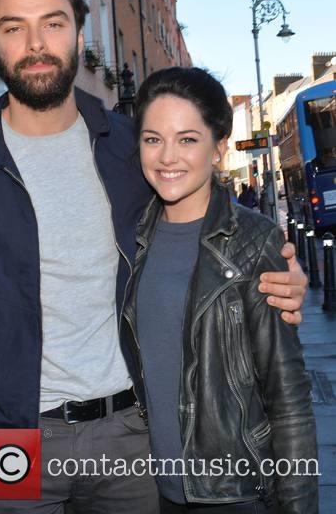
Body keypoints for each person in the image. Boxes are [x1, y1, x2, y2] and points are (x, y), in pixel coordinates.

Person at [0, 0, 308, 514]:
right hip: (8, 439)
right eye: (13, 28)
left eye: (53, 23)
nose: (36, 44)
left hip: (131, 435)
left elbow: (212, 229)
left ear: (76, 32)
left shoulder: (131, 148)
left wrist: (281, 272)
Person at [123, 67, 318, 513]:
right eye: (153, 139)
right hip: (157, 491)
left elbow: (288, 399)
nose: (167, 156)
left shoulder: (255, 241)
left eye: (188, 139)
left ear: (218, 148)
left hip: (235, 494)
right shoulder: (137, 236)